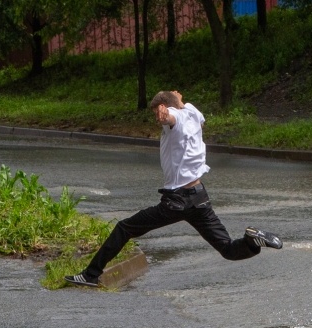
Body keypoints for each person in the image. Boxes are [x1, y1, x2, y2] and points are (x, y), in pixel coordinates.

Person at [65, 90, 282, 288]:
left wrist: (165, 113)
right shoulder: (193, 112)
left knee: (124, 228)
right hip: (199, 197)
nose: (156, 118)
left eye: (155, 112)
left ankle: (90, 275)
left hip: (177, 200)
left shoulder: (174, 117)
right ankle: (252, 241)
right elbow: (187, 112)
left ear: (164, 105)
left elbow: (170, 117)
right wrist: (178, 102)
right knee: (228, 249)